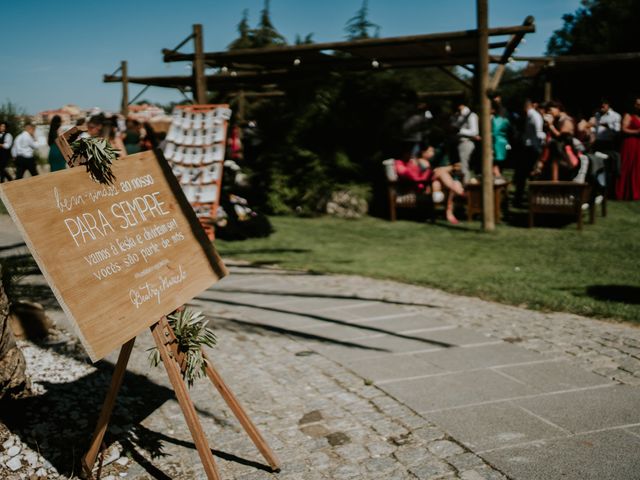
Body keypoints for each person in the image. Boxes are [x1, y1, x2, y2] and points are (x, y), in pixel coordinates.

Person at [395, 144, 465, 224]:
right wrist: (416, 166)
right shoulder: (400, 163)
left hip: (428, 184)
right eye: (430, 151)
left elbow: (419, 174)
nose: (410, 154)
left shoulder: (415, 162)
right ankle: (460, 194)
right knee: (440, 172)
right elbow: (411, 177)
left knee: (443, 179)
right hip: (418, 186)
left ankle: (450, 211)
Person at [514, 100, 545, 205]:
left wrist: (540, 145)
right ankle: (523, 197)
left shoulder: (534, 116)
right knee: (524, 174)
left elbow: (539, 133)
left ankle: (529, 197)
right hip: (529, 147)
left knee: (527, 174)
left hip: (532, 149)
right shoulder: (530, 116)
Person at [616, 97, 640, 200]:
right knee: (627, 165)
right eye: (638, 104)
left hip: (638, 144)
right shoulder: (628, 115)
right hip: (630, 143)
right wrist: (636, 132)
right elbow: (623, 129)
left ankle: (636, 192)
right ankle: (624, 193)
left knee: (637, 167)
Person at [451, 101, 479, 184]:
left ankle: (467, 188)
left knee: (464, 168)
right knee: (459, 167)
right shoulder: (458, 115)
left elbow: (474, 132)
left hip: (466, 143)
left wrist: (459, 131)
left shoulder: (471, 115)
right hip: (458, 143)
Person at [491, 102, 510, 179]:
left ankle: (499, 181)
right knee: (499, 166)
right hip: (503, 144)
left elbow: (495, 132)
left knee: (495, 167)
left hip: (496, 144)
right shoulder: (505, 120)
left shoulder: (495, 120)